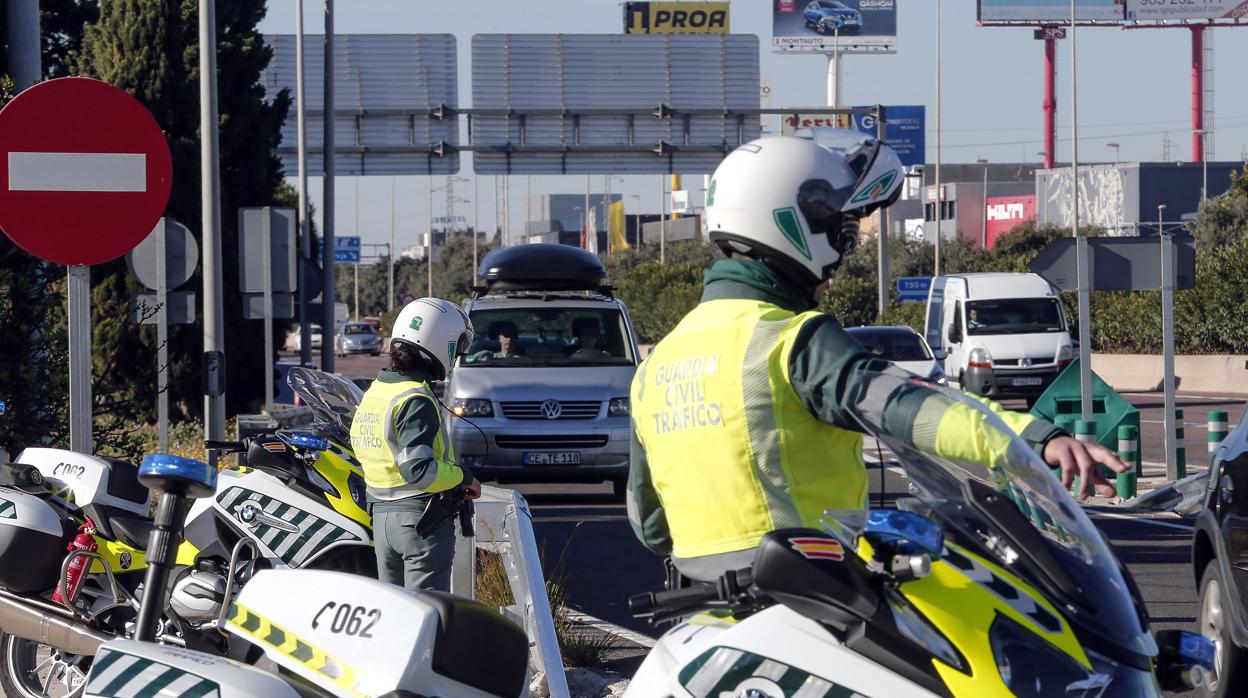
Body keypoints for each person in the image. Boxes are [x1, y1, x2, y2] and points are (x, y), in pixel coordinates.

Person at [627, 133, 1126, 582]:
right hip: (811, 598)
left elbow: (649, 523)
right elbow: (910, 408)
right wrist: (1030, 439)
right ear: (792, 225)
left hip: (705, 614)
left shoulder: (656, 367)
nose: (843, 255)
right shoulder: (788, 339)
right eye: (842, 235)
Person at [351, 297, 481, 591]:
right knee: (426, 616)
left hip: (382, 521)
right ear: (440, 344)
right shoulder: (415, 399)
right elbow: (419, 470)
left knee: (396, 617)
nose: (457, 357)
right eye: (457, 348)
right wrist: (464, 477)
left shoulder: (375, 393)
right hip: (420, 522)